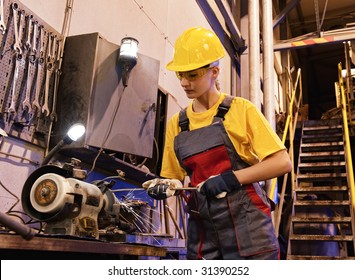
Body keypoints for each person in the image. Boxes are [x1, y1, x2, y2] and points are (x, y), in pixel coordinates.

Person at [143, 26, 292, 260]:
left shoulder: (240, 110)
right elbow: (174, 176)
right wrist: (166, 186)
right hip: (203, 232)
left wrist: (230, 179)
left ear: (214, 72)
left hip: (249, 231)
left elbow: (282, 163)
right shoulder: (177, 123)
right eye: (180, 75)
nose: (184, 82)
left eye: (192, 75)